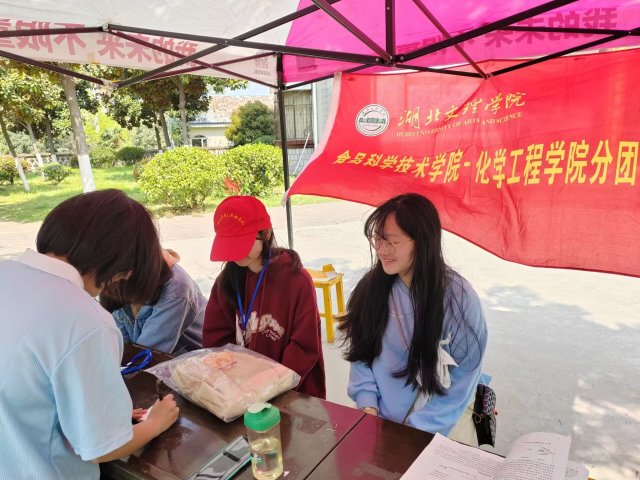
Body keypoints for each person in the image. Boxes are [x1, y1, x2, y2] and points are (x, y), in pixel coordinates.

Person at [0, 190, 179, 479]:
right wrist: (155, 423)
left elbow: (27, 388)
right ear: (118, 264)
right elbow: (102, 448)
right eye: (126, 272)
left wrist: (104, 414)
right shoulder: (85, 319)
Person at [341, 193, 487, 442]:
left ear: (422, 241)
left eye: (392, 242)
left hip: (440, 422)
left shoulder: (460, 299)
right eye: (377, 239)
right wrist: (367, 404)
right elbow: (361, 352)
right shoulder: (372, 289)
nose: (381, 250)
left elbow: (465, 375)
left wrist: (416, 431)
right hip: (379, 418)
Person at [202, 196, 326, 399]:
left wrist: (270, 384)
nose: (235, 253)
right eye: (229, 244)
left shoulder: (296, 280)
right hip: (241, 389)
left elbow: (304, 346)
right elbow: (216, 339)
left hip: (291, 390)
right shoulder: (226, 281)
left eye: (240, 242)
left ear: (266, 234)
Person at [100, 248, 206, 354]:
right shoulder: (112, 277)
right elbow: (122, 345)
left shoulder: (176, 289)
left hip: (194, 358)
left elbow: (147, 353)